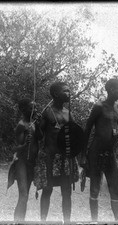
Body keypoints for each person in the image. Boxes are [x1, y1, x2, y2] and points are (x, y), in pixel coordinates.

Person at [81, 78, 118, 222]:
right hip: (95, 152)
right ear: (112, 90)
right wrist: (83, 155)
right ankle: (94, 221)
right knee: (95, 188)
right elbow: (87, 129)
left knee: (115, 189)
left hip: (110, 153)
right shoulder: (99, 107)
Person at [36, 81, 79, 223]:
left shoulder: (68, 113)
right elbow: (39, 136)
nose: (69, 93)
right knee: (47, 190)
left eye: (69, 91)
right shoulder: (47, 113)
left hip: (66, 158)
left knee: (66, 192)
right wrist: (36, 125)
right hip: (50, 157)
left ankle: (67, 222)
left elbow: (74, 135)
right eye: (65, 91)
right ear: (55, 94)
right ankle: (43, 221)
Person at [7, 99, 40, 222]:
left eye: (36, 108)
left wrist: (40, 124)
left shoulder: (35, 123)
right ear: (23, 110)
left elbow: (41, 137)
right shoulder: (21, 125)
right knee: (24, 195)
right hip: (22, 162)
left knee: (25, 197)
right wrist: (25, 144)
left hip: (32, 162)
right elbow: (15, 148)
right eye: (32, 108)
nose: (35, 110)